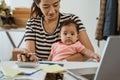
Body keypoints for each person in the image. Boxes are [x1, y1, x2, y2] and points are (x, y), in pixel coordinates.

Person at [17, 0, 96, 62]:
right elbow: (31, 55)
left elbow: (89, 52)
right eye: (46, 6)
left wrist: (61, 62)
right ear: (38, 4)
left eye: (55, 5)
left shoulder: (72, 20)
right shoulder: (32, 24)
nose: (52, 11)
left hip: (68, 70)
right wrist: (28, 58)